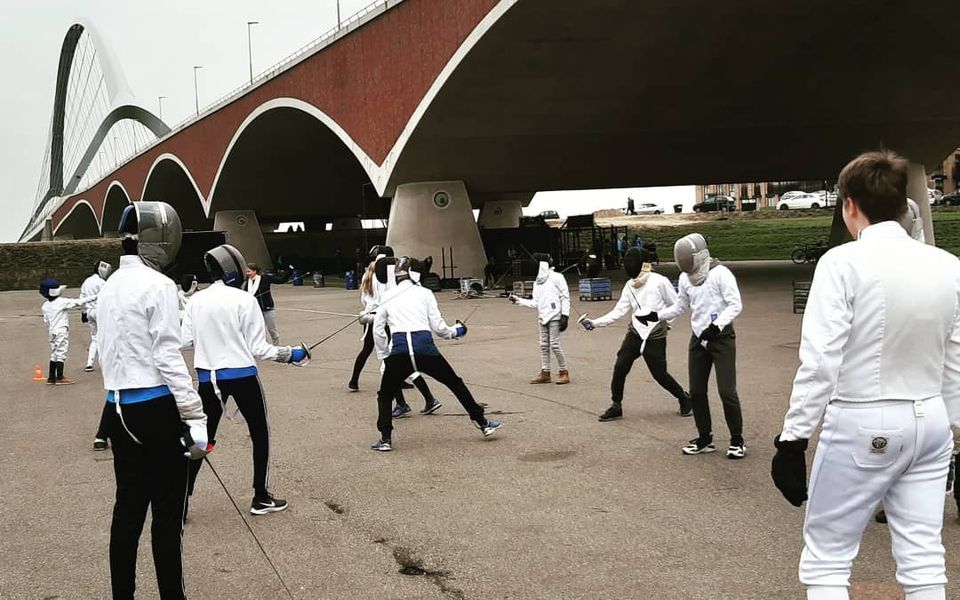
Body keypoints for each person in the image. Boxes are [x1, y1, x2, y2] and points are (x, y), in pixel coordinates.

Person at [770, 151, 960, 600]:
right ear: (900, 202)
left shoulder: (841, 263)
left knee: (827, 558)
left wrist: (794, 438)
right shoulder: (949, 266)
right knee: (923, 557)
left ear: (849, 204)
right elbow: (954, 358)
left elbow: (821, 360)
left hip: (863, 419)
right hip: (931, 422)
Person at [96, 201, 209, 600]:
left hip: (118, 408)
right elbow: (167, 355)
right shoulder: (158, 285)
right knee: (167, 515)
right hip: (155, 408)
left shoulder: (109, 286)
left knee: (127, 512)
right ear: (161, 239)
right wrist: (195, 415)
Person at [182, 244, 308, 517]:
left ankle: (181, 502)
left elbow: (185, 340)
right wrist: (292, 354)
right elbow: (259, 348)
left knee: (202, 440)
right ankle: (260, 497)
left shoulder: (195, 301)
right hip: (243, 377)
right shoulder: (244, 300)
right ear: (233, 270)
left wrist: (211, 342)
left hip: (208, 379)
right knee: (260, 433)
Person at [370, 257, 500, 451]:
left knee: (385, 394)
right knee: (455, 383)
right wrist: (457, 331)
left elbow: (378, 330)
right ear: (417, 274)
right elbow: (440, 329)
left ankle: (385, 439)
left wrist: (384, 355)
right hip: (425, 350)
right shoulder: (425, 293)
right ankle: (483, 423)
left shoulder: (387, 295)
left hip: (400, 351)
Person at [637, 233, 745, 458]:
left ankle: (737, 440)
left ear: (700, 255)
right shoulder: (686, 278)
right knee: (696, 391)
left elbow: (735, 305)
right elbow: (680, 306)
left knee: (727, 391)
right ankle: (705, 438)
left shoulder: (721, 274)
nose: (685, 265)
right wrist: (656, 315)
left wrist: (716, 326)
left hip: (721, 337)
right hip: (698, 338)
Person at [581, 247, 692, 421]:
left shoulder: (660, 281)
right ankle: (616, 405)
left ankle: (683, 397)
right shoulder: (629, 285)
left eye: (632, 261)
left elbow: (676, 305)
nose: (629, 265)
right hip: (635, 333)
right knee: (620, 366)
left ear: (643, 264)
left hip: (655, 335)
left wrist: (666, 324)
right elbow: (618, 311)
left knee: (659, 374)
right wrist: (595, 323)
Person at [369, 245, 442, 416]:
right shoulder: (398, 273)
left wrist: (374, 313)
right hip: (400, 324)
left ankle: (403, 404)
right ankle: (429, 400)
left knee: (388, 367)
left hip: (398, 327)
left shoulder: (388, 275)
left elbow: (381, 299)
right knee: (407, 365)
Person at [510, 252, 571, 384]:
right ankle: (545, 373)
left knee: (554, 345)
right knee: (544, 346)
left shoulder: (557, 277)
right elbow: (535, 303)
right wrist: (518, 300)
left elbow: (565, 297)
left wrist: (565, 316)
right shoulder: (537, 283)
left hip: (555, 316)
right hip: (542, 317)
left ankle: (564, 372)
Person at [39, 278, 97, 385]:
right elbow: (78, 302)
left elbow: (46, 321)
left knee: (54, 353)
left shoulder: (45, 306)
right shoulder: (62, 302)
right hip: (61, 330)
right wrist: (95, 297)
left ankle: (51, 377)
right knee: (61, 353)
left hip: (52, 331)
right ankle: (60, 377)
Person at [242, 262, 289, 345]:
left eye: (249, 271)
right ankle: (263, 347)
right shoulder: (247, 282)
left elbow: (280, 280)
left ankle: (277, 346)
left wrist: (289, 271)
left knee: (272, 330)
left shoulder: (265, 278)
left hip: (268, 308)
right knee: (259, 330)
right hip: (255, 310)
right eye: (247, 272)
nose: (247, 273)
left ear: (254, 271)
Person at [80, 260, 111, 372]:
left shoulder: (86, 282)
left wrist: (83, 312)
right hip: (100, 312)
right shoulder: (102, 283)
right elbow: (108, 298)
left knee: (95, 338)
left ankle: (89, 363)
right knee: (106, 337)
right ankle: (106, 363)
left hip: (90, 312)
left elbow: (82, 298)